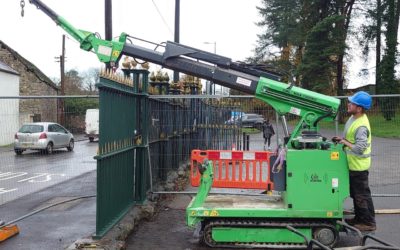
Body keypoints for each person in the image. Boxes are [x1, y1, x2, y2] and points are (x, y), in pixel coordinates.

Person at [332, 91, 376, 232]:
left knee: (361, 196)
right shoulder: (354, 118)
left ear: (359, 108)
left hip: (359, 167)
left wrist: (344, 142)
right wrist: (342, 140)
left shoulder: (361, 125)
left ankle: (368, 223)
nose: (348, 104)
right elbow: (352, 140)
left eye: (352, 103)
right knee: (357, 194)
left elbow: (360, 148)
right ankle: (359, 218)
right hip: (353, 165)